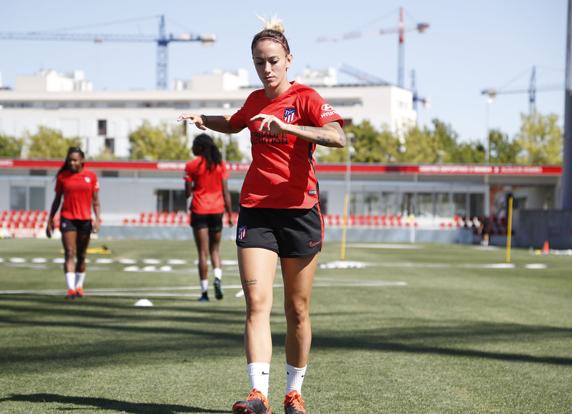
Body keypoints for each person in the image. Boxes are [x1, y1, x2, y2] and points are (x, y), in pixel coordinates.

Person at [178, 18, 345, 414]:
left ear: (288, 59)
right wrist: (205, 120)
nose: (266, 70)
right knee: (256, 304)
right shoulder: (254, 101)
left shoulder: (305, 98)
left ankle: (294, 393)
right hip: (257, 210)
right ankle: (258, 395)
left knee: (297, 310)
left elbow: (337, 136)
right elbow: (236, 125)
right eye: (258, 63)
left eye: (272, 61)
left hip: (300, 213)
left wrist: (292, 128)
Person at [46, 147, 101, 299]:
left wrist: (97, 219)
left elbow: (96, 201)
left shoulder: (91, 177)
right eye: (70, 160)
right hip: (67, 218)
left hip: (85, 220)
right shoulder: (63, 177)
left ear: (82, 160)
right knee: (70, 253)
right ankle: (71, 289)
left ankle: (79, 287)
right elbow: (57, 200)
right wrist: (50, 219)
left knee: (82, 255)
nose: (72, 162)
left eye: (75, 160)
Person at [184, 133, 233, 302]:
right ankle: (217, 278)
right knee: (215, 250)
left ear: (201, 147)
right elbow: (226, 192)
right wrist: (230, 215)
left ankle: (204, 293)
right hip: (217, 210)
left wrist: (190, 185)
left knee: (202, 253)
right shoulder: (220, 165)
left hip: (199, 210)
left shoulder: (191, 165)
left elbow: (187, 193)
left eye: (194, 145)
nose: (192, 148)